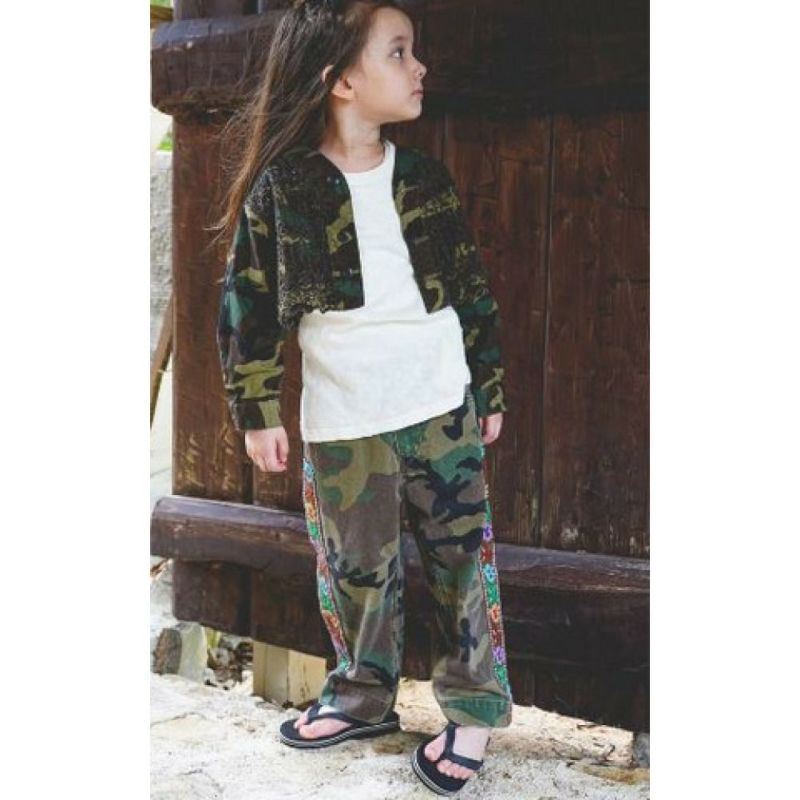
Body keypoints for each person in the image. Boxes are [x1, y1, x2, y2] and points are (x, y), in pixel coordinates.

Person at [213, 1, 513, 794]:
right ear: (342, 80)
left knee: (460, 565)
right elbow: (248, 308)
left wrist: (488, 384)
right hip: (345, 421)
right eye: (399, 52)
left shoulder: (425, 180)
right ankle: (362, 694)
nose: (420, 68)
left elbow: (471, 292)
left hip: (440, 406)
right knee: (355, 569)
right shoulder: (283, 189)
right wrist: (257, 412)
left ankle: (474, 710)